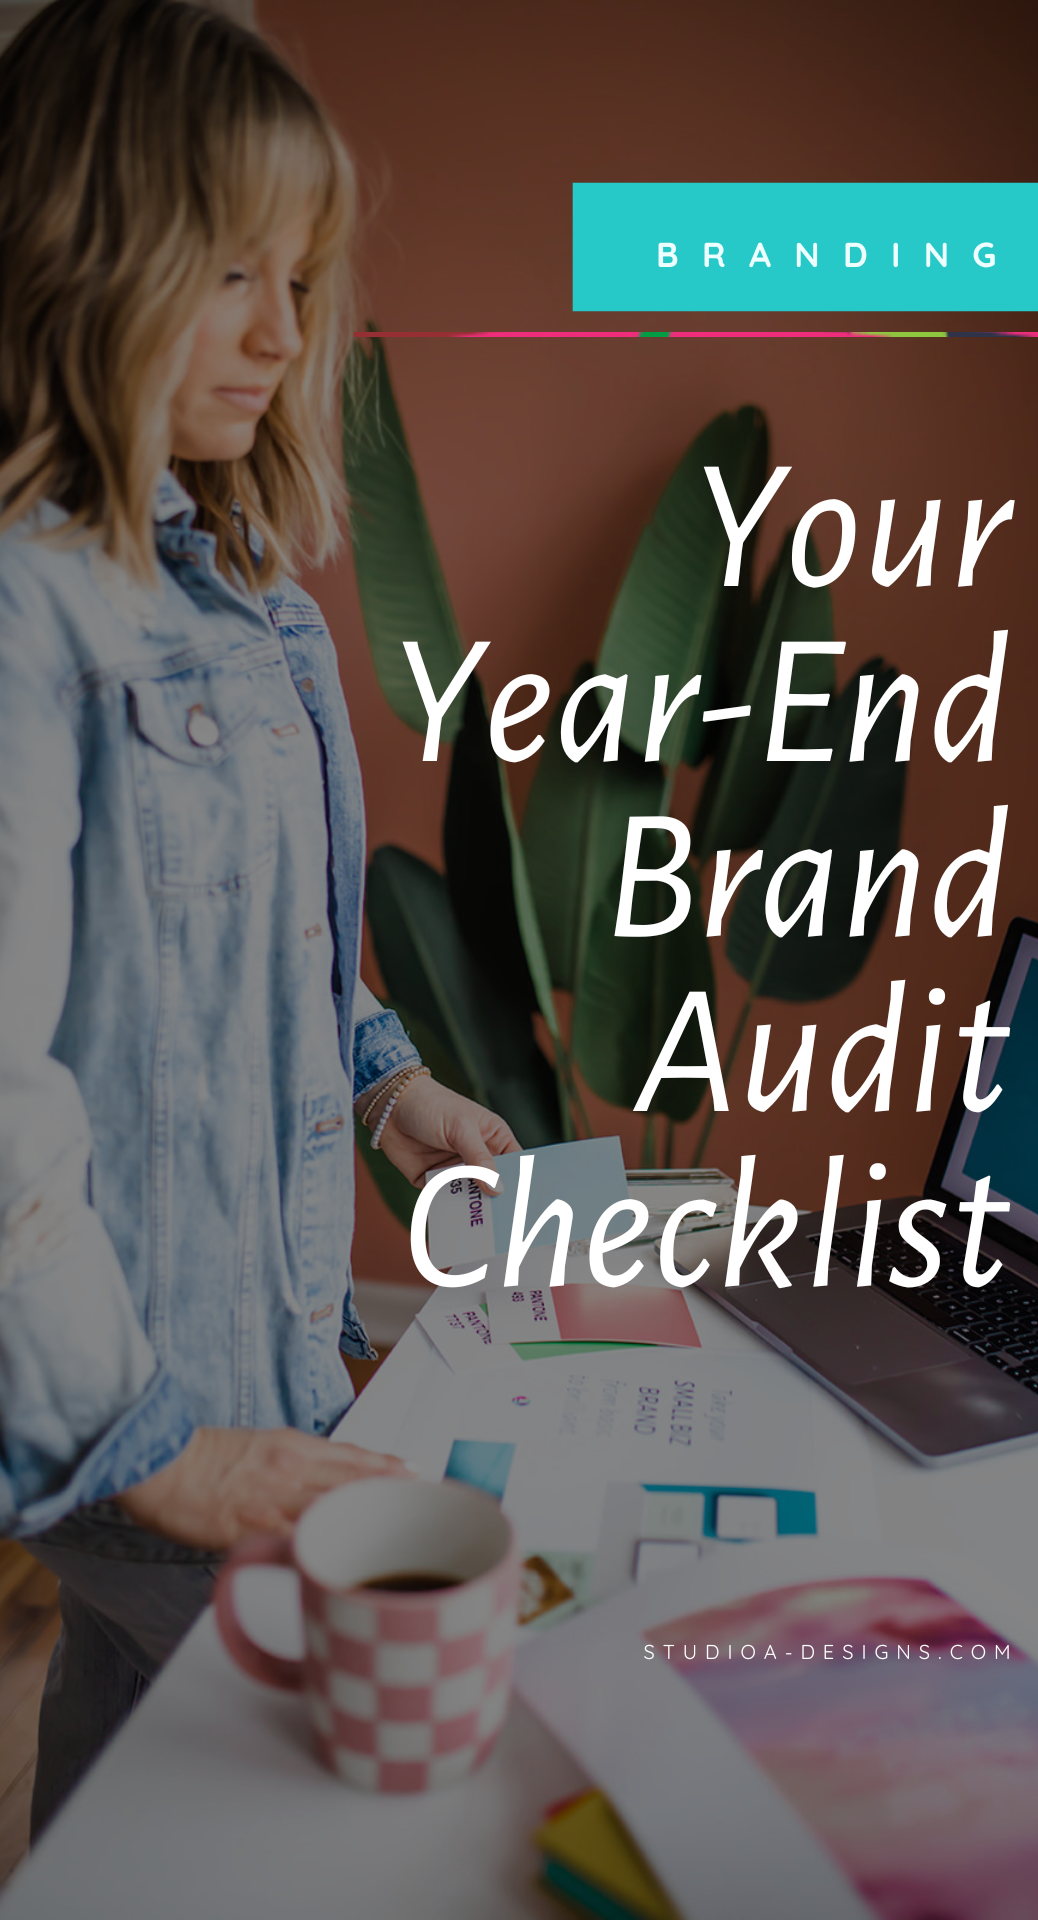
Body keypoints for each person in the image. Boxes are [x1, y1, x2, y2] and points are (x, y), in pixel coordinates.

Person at [0, 0, 518, 1834]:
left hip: (280, 1348)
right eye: (234, 272)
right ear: (89, 243)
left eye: (302, 280)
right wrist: (153, 1446)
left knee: (143, 1776)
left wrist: (390, 1088)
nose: (288, 336)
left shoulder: (262, 611)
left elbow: (284, 959)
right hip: (143, 1402)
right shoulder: (25, 615)